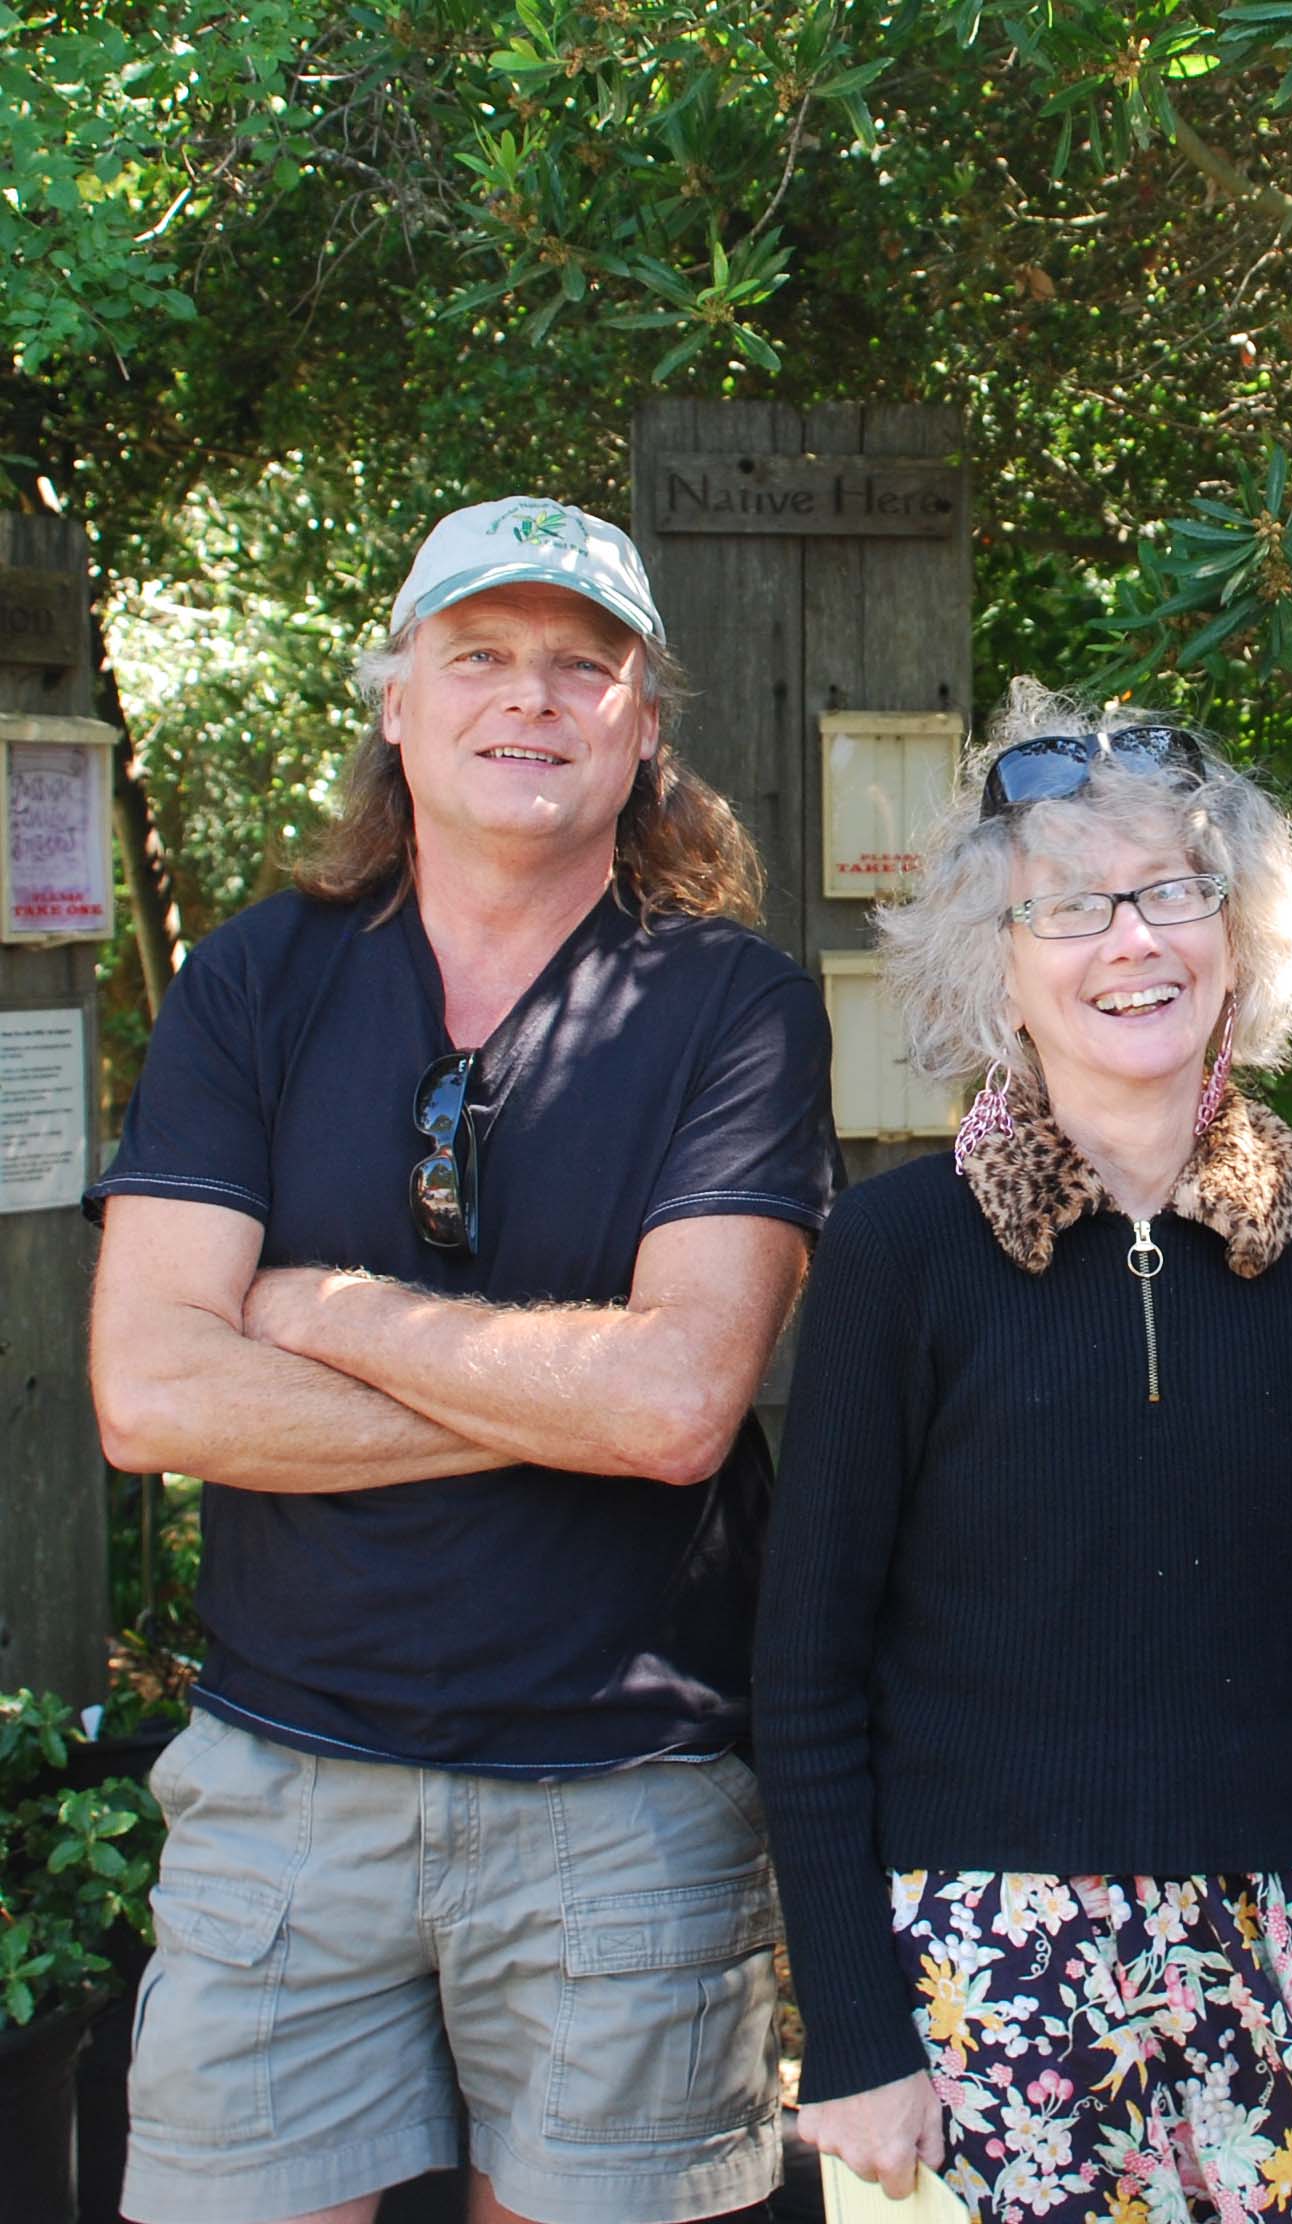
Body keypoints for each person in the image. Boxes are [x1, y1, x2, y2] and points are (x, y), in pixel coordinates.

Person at [86, 495, 838, 2224]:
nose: (531, 698)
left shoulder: (733, 1006)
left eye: (585, 665)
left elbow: (679, 1407)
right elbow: (151, 1394)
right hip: (281, 1786)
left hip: (623, 1799)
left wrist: (320, 1309)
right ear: (397, 701)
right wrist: (571, 1399)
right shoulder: (253, 982)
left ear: (643, 728)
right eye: (480, 653)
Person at [753, 688, 1292, 2224]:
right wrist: (852, 2028)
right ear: (998, 962)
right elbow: (807, 1669)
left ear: (1242, 931)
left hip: (1290, 1949)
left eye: (1174, 891)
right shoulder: (898, 1251)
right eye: (1071, 906)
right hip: (985, 1973)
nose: (1132, 941)